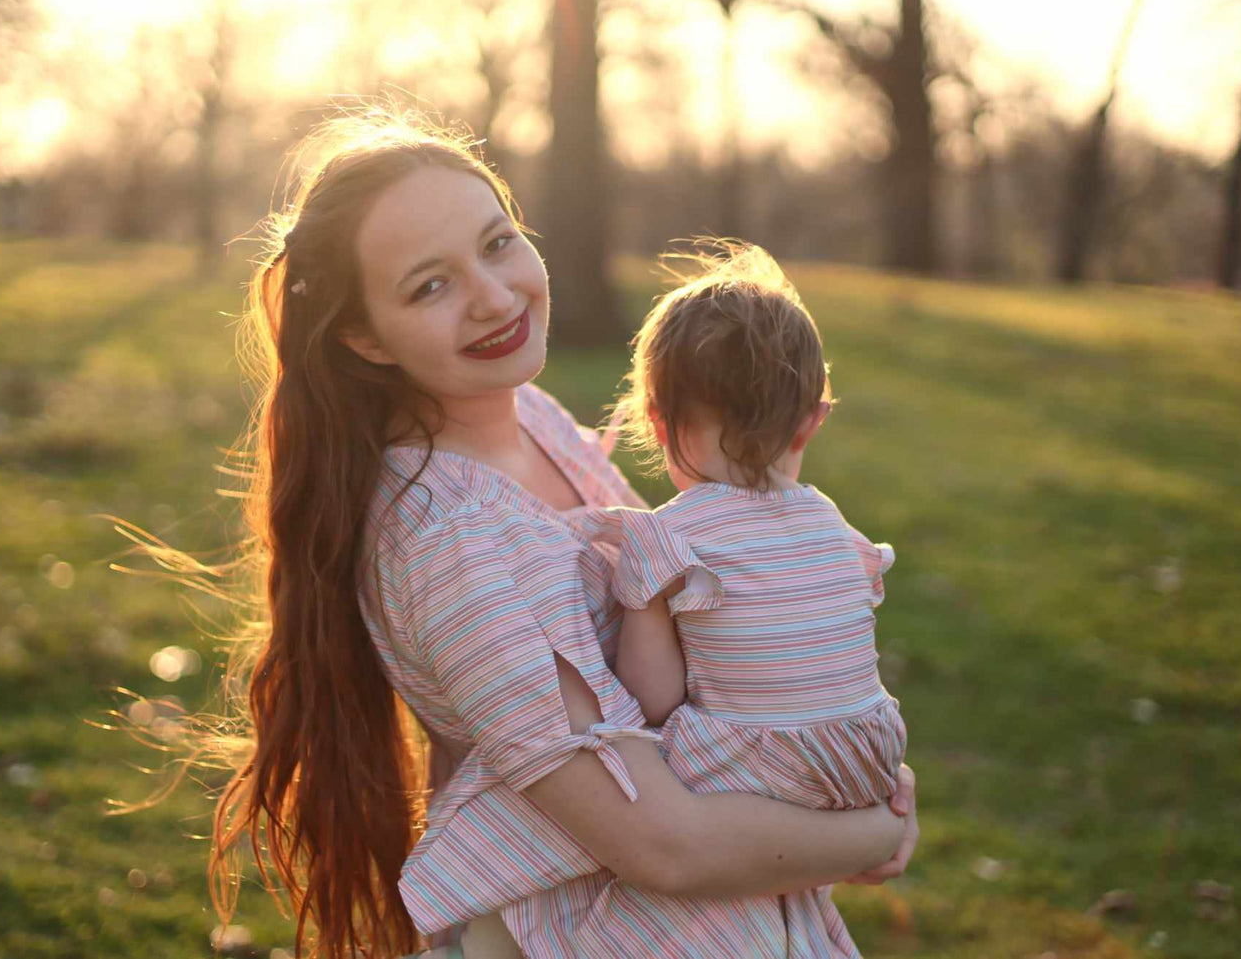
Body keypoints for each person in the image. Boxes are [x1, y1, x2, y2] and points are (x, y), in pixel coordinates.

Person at [202, 104, 919, 959]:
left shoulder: (531, 418)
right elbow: (660, 841)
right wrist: (870, 833)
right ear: (363, 335)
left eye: (498, 242)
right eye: (430, 285)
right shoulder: (452, 541)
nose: (495, 296)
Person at [570, 241, 907, 957]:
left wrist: (641, 603)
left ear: (656, 423)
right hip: (868, 758)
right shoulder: (834, 523)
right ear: (812, 420)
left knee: (614, 794)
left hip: (754, 773)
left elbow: (653, 700)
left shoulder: (673, 537)